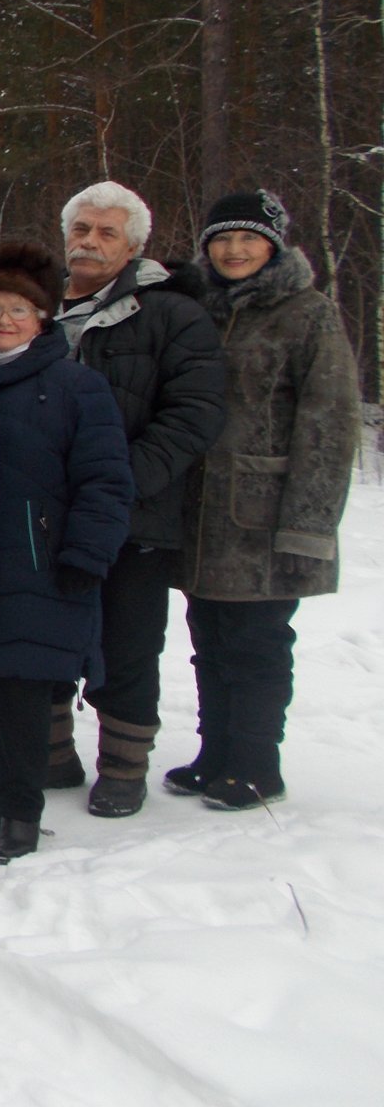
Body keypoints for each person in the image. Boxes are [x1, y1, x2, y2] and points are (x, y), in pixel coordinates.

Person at [173, 192, 359, 809]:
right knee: (210, 638)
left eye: (249, 239)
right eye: (222, 239)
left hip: (263, 515)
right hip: (201, 513)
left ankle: (256, 762)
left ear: (275, 245)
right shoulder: (198, 305)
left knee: (256, 643)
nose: (233, 250)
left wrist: (308, 526)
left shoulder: (307, 314)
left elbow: (330, 424)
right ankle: (215, 751)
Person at [48, 182, 225, 817]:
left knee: (126, 641)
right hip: (43, 513)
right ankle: (48, 755)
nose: (89, 242)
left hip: (132, 515)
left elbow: (194, 414)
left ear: (135, 246)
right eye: (81, 230)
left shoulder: (171, 313)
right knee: (39, 632)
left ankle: (122, 765)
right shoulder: (34, 307)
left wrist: (119, 485)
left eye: (106, 233)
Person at [0, 244, 133, 863]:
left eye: (18, 309)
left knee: (24, 691)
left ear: (42, 317)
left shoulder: (76, 386)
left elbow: (106, 480)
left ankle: (23, 811)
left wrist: (87, 553)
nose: (3, 320)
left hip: (39, 562)